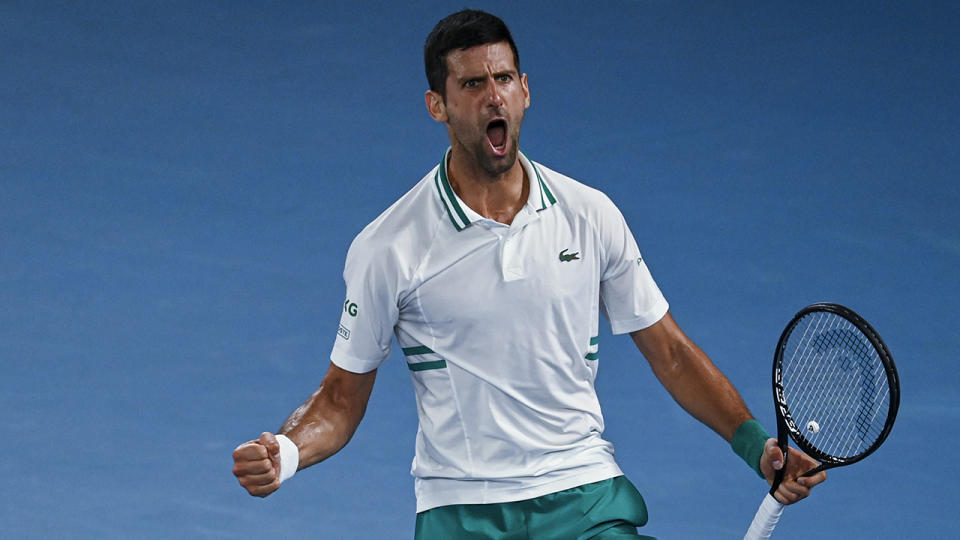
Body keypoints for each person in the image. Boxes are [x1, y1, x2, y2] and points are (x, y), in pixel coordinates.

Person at [232, 9, 826, 538]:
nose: (494, 97)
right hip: (463, 510)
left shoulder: (590, 215)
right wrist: (284, 451)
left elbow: (669, 352)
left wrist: (757, 447)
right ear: (436, 104)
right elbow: (339, 399)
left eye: (505, 79)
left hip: (587, 496)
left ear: (525, 91)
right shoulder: (389, 247)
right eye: (472, 83)